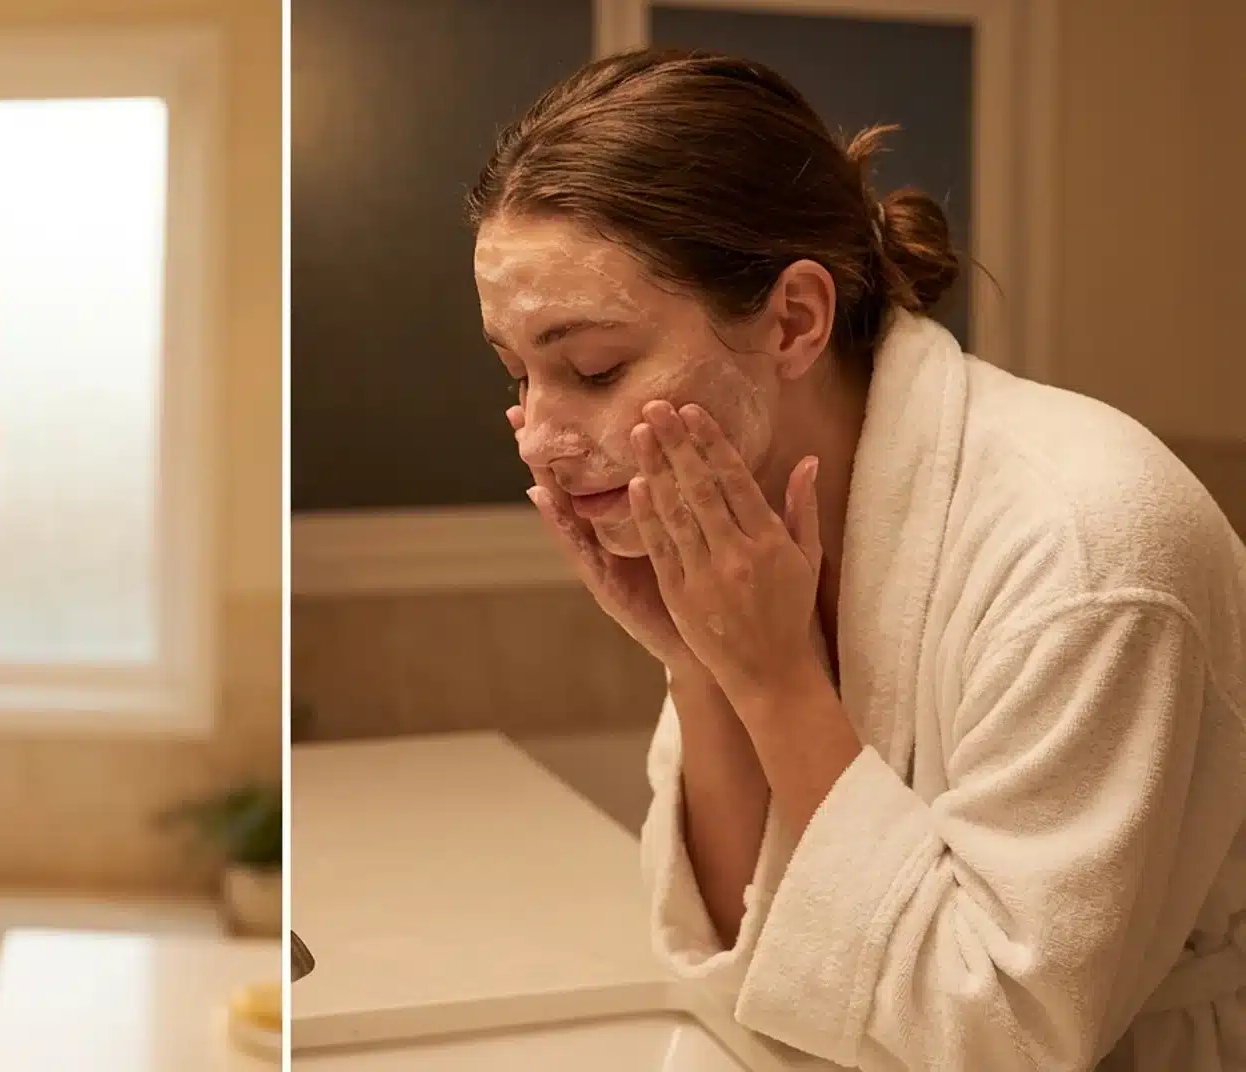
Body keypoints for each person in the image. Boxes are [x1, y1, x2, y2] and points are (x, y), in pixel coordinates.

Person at [470, 49, 1246, 1072]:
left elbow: (1005, 1032)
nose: (541, 437)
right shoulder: (750, 539)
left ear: (794, 318)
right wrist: (703, 666)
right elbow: (743, 951)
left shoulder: (1088, 547)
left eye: (596, 367)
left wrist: (774, 677)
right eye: (520, 371)